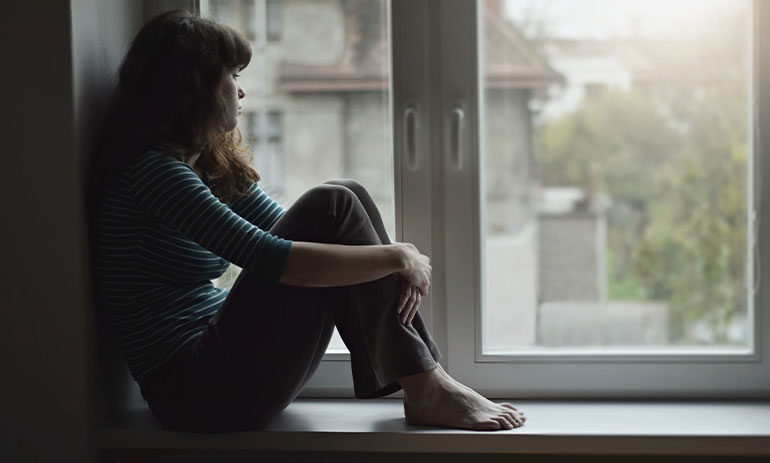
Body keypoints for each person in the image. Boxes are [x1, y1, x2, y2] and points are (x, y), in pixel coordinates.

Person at [88, 9, 525, 433]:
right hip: (194, 392)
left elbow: (294, 231)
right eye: (232, 77)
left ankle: (427, 382)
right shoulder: (154, 175)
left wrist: (389, 258)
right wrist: (396, 256)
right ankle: (426, 385)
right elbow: (273, 257)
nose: (241, 92)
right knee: (334, 202)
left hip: (221, 375)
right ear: (195, 88)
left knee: (346, 196)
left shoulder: (206, 167)